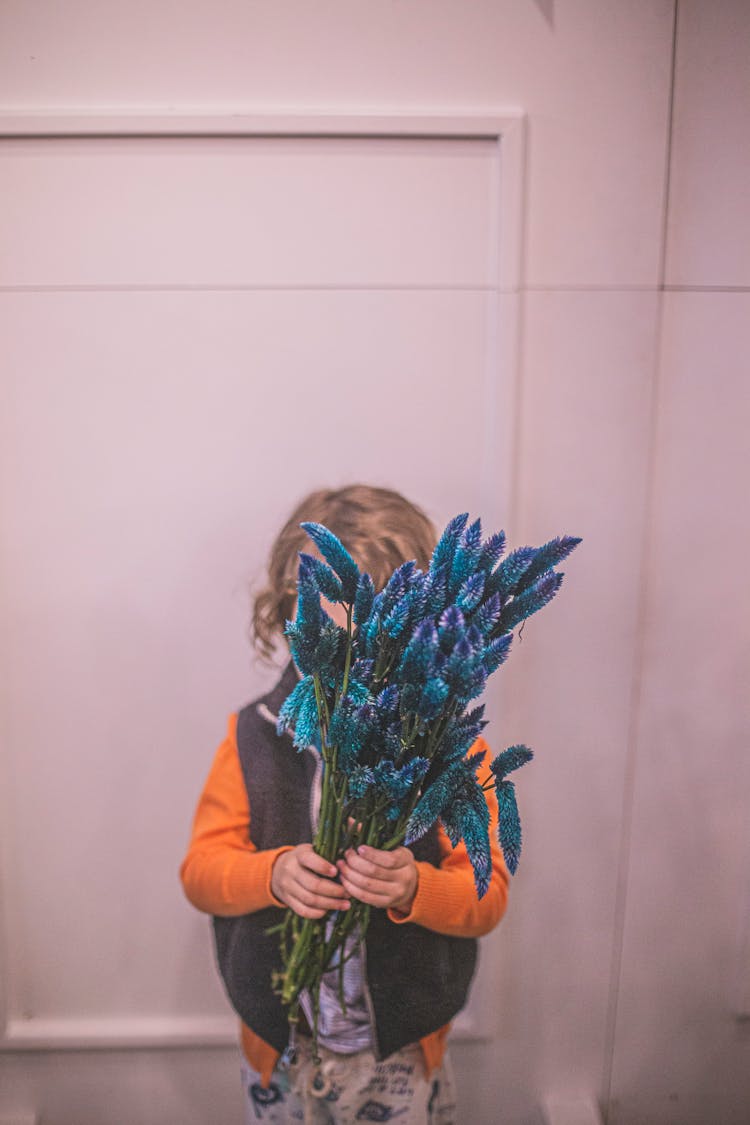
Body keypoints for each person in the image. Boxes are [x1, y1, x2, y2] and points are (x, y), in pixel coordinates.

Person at [180, 484, 509, 1124]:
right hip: (284, 1047)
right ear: (291, 617)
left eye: (387, 635)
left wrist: (416, 885)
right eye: (339, 632)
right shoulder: (251, 736)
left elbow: (487, 893)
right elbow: (200, 874)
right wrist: (271, 874)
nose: (361, 659)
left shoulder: (455, 748)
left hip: (402, 1052)